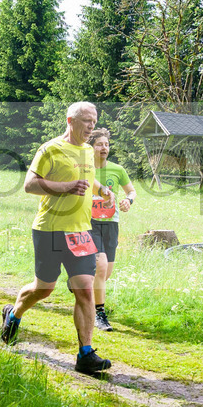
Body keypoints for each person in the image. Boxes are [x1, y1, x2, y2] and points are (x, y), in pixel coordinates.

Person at [1, 101, 116, 376]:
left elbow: (85, 178)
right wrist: (66, 188)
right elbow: (30, 185)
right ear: (70, 120)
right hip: (50, 230)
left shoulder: (88, 151)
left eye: (94, 120)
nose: (91, 126)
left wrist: (102, 190)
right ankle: (13, 313)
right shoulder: (50, 148)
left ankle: (85, 354)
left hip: (81, 231)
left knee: (85, 290)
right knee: (44, 289)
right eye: (86, 120)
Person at [88, 128, 136, 331]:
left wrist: (128, 200)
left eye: (106, 144)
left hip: (111, 223)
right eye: (99, 144)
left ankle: (81, 281)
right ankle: (99, 314)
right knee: (100, 265)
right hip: (89, 223)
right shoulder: (85, 169)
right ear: (91, 147)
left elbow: (131, 190)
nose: (104, 148)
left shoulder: (118, 169)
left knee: (105, 273)